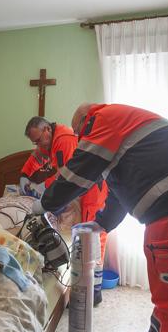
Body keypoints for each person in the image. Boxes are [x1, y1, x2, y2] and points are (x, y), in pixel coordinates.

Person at [32, 104, 168, 332]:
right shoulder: (121, 124)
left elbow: (75, 175)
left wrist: (42, 204)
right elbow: (118, 190)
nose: (82, 140)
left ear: (85, 120)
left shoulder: (100, 121)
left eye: (81, 134)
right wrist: (103, 222)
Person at [22, 116, 109, 304]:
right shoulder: (54, 140)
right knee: (91, 239)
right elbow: (41, 162)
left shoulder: (64, 140)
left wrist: (45, 193)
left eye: (38, 140)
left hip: (92, 192)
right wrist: (27, 179)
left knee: (91, 239)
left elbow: (68, 178)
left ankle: (94, 293)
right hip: (88, 190)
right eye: (34, 143)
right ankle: (92, 290)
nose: (38, 145)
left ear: (46, 130)